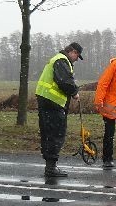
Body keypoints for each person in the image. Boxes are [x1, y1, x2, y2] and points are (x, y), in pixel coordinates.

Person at [35, 42, 83, 177]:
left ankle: (49, 165)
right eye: (77, 56)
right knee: (56, 134)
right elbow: (64, 81)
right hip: (52, 102)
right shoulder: (61, 60)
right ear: (72, 51)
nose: (76, 59)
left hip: (47, 100)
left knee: (48, 133)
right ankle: (51, 167)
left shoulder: (57, 59)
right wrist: (74, 92)